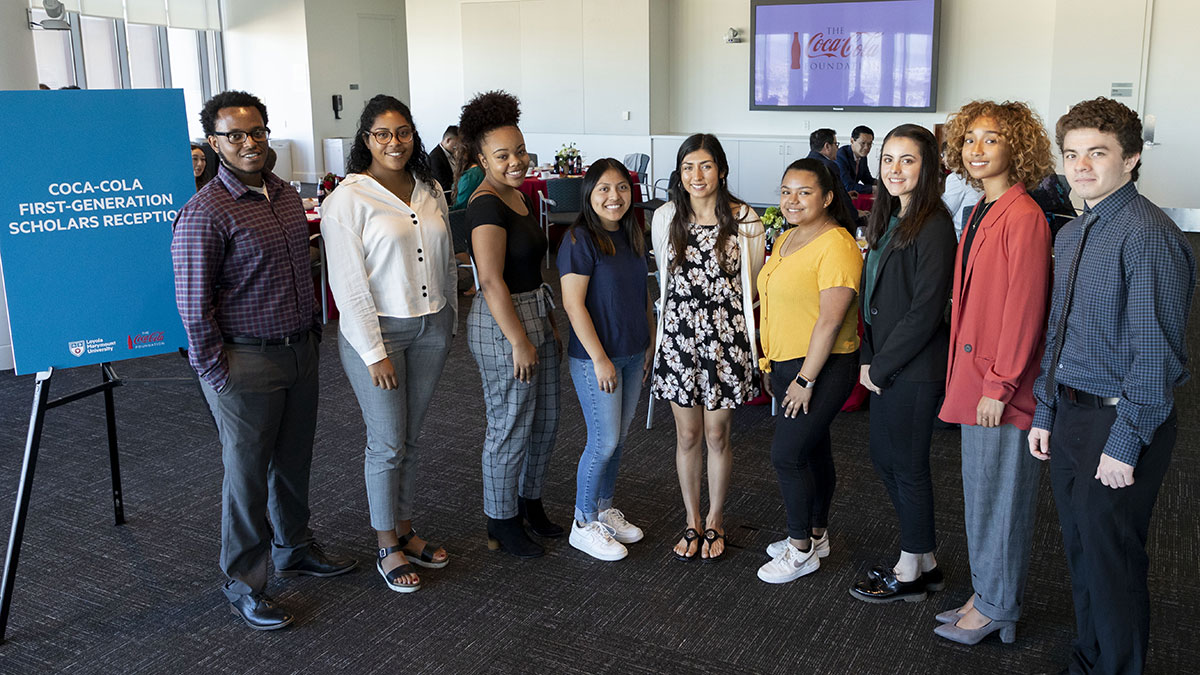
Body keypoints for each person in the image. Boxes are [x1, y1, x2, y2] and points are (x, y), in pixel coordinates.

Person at [172, 90, 356, 631]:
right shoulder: (205, 211)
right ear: (214, 142)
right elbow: (192, 305)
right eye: (235, 135)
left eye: (257, 131)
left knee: (294, 462)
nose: (249, 143)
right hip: (244, 363)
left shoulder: (280, 193)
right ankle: (243, 583)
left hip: (300, 350)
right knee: (247, 476)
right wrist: (215, 372)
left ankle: (294, 547)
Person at [1030, 97, 1195, 675]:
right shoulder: (1076, 233)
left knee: (1114, 561)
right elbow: (1062, 330)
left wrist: (1125, 443)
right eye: (1072, 154)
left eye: (1097, 153)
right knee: (1081, 551)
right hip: (1072, 415)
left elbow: (1154, 355)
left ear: (1130, 159)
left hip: (1121, 420)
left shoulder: (1147, 235)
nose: (1081, 166)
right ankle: (1089, 659)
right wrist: (1046, 409)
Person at [320, 95, 457, 593]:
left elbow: (443, 260)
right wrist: (373, 351)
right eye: (383, 134)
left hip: (430, 328)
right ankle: (386, 543)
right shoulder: (348, 199)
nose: (394, 143)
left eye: (402, 132)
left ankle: (405, 527)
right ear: (366, 140)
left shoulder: (429, 188)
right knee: (387, 443)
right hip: (377, 334)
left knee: (411, 439)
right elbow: (348, 284)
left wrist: (449, 319)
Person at [934, 100, 1055, 645]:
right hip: (977, 377)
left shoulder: (1023, 215)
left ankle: (999, 605)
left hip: (999, 389)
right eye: (969, 139)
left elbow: (1024, 309)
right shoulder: (984, 206)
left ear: (1017, 147)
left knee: (1001, 502)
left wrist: (999, 385)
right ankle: (986, 593)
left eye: (991, 139)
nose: (977, 150)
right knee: (981, 495)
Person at [849, 124, 956, 604]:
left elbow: (927, 310)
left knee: (908, 466)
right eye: (888, 159)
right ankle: (925, 557)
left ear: (927, 166)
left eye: (907, 160)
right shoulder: (890, 216)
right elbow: (874, 297)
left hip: (914, 368)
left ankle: (912, 567)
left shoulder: (934, 223)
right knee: (884, 458)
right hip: (887, 364)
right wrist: (869, 357)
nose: (894, 169)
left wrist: (881, 365)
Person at [650, 133, 764, 563]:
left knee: (717, 433)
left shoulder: (745, 218)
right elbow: (666, 277)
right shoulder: (665, 217)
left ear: (721, 170)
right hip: (680, 339)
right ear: (679, 175)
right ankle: (691, 518)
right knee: (687, 434)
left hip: (726, 338)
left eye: (706, 166)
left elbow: (750, 280)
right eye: (688, 168)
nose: (697, 176)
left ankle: (716, 516)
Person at [461, 90, 563, 559]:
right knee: (510, 424)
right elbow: (491, 282)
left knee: (543, 421)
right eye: (502, 155)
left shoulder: (519, 196)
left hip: (532, 314)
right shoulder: (486, 205)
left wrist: (546, 321)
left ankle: (530, 502)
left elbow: (530, 269)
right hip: (504, 325)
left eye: (519, 150)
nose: (515, 160)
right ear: (482, 159)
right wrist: (520, 340)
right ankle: (501, 521)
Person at [755, 158, 862, 584]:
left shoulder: (837, 243)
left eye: (804, 192)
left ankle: (800, 549)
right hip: (787, 363)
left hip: (822, 367)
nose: (792, 200)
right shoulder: (786, 237)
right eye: (786, 191)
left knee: (788, 454)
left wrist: (804, 379)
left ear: (828, 197)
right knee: (813, 449)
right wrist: (770, 363)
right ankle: (817, 535)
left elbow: (830, 321)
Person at [557, 158, 655, 561]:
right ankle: (582, 523)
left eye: (622, 188)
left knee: (618, 439)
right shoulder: (580, 240)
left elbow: (643, 292)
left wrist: (649, 344)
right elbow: (573, 304)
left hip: (633, 352)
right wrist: (599, 358)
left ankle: (603, 510)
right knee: (604, 441)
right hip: (597, 357)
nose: (614, 197)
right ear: (589, 194)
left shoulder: (633, 232)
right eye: (604, 189)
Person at [806, 128, 859, 225]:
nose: (837, 148)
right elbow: (843, 199)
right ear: (827, 146)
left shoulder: (804, 163)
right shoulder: (829, 166)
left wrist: (846, 195)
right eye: (836, 144)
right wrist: (856, 214)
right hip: (830, 219)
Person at [940, 142, 983, 237]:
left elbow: (945, 210)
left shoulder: (956, 177)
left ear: (952, 155)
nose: (942, 159)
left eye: (943, 155)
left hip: (959, 234)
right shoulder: (975, 174)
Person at [836, 125, 876, 194]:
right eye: (862, 143)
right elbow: (848, 186)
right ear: (852, 141)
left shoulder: (862, 156)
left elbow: (867, 179)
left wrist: (883, 184)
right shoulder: (841, 155)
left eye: (869, 144)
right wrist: (874, 189)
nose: (866, 147)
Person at [429, 125, 459, 194]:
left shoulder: (452, 153)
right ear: (448, 140)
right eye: (457, 144)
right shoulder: (435, 157)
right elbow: (443, 185)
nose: (458, 147)